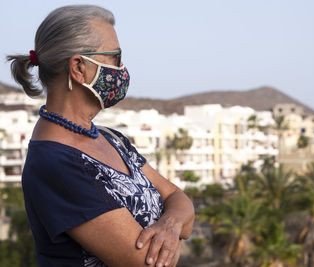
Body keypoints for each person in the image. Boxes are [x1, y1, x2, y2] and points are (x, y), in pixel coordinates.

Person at [7, 5, 195, 267]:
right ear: (79, 68)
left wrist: (171, 225)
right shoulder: (55, 162)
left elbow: (180, 200)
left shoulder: (111, 138)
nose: (122, 68)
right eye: (115, 57)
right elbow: (146, 262)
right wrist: (174, 227)